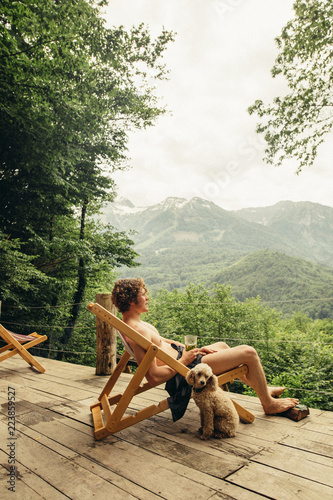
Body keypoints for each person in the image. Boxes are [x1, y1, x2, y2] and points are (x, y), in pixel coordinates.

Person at [111, 277, 299, 421]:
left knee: (223, 347)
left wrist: (193, 350)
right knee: (248, 352)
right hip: (187, 370)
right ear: (131, 300)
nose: (147, 297)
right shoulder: (137, 331)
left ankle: (263, 388)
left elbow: (162, 343)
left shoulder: (133, 324)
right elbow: (153, 377)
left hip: (186, 359)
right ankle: (268, 403)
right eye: (143, 294)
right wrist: (185, 360)